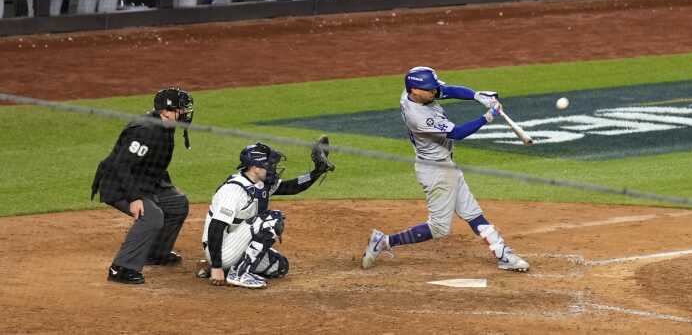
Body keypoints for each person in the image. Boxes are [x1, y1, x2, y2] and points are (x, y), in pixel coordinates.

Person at [360, 67, 528, 272]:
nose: (435, 92)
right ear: (415, 90)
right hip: (436, 171)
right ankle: (383, 241)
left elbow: (449, 90)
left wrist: (477, 95)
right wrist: (488, 116)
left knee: (472, 213)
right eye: (430, 90)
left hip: (446, 166)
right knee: (439, 228)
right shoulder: (418, 116)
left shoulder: (415, 93)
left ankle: (504, 255)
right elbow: (456, 133)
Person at [91, 87, 193, 285]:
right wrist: (135, 198)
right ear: (167, 110)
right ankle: (121, 268)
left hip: (143, 181)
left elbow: (154, 162)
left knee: (177, 204)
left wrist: (165, 188)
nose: (186, 113)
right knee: (152, 216)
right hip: (118, 183)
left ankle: (155, 253)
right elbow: (121, 165)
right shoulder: (145, 131)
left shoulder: (166, 125)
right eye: (182, 109)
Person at [200, 140, 332, 289]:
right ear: (255, 167)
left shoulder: (260, 183)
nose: (273, 169)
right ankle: (237, 273)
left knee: (280, 266)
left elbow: (292, 187)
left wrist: (316, 172)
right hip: (221, 249)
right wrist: (216, 266)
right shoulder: (233, 191)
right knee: (272, 220)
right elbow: (216, 228)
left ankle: (229, 268)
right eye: (269, 165)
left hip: (234, 244)